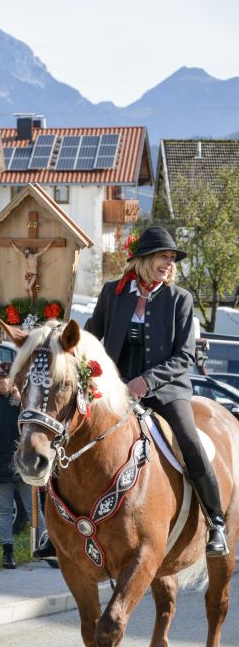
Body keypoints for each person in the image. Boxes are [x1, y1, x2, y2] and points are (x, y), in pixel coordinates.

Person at [84, 225, 228, 557]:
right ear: (144, 259)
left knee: (190, 442)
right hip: (117, 391)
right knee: (72, 433)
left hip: (166, 390)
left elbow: (185, 356)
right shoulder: (113, 292)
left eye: (172, 258)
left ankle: (216, 523)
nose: (169, 263)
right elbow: (91, 336)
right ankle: (58, 527)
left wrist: (146, 381)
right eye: (164, 256)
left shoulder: (180, 299)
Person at [0, 361, 46, 569]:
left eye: (3, 375)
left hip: (24, 462)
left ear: (12, 378)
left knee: (34, 510)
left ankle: (46, 547)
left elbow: (37, 426)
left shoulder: (24, 401)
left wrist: (22, 401)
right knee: (4, 510)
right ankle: (8, 553)